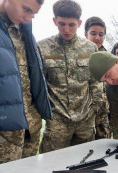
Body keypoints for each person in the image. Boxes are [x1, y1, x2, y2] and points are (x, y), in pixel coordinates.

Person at [0, 0, 52, 169]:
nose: (29, 17)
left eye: (33, 14)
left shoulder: (23, 26)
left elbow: (33, 74)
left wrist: (39, 114)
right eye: (26, 9)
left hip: (30, 130)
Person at [37, 0, 104, 152]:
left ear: (79, 23)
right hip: (57, 120)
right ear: (55, 21)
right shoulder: (42, 47)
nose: (66, 29)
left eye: (71, 25)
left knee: (83, 164)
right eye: (61, 24)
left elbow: (95, 81)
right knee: (51, 165)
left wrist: (95, 108)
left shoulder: (90, 47)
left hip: (85, 119)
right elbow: (40, 84)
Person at [84, 16, 111, 139]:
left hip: (103, 113)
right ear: (86, 34)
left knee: (104, 148)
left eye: (101, 34)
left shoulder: (110, 58)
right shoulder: (80, 55)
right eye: (93, 34)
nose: (97, 38)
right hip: (83, 114)